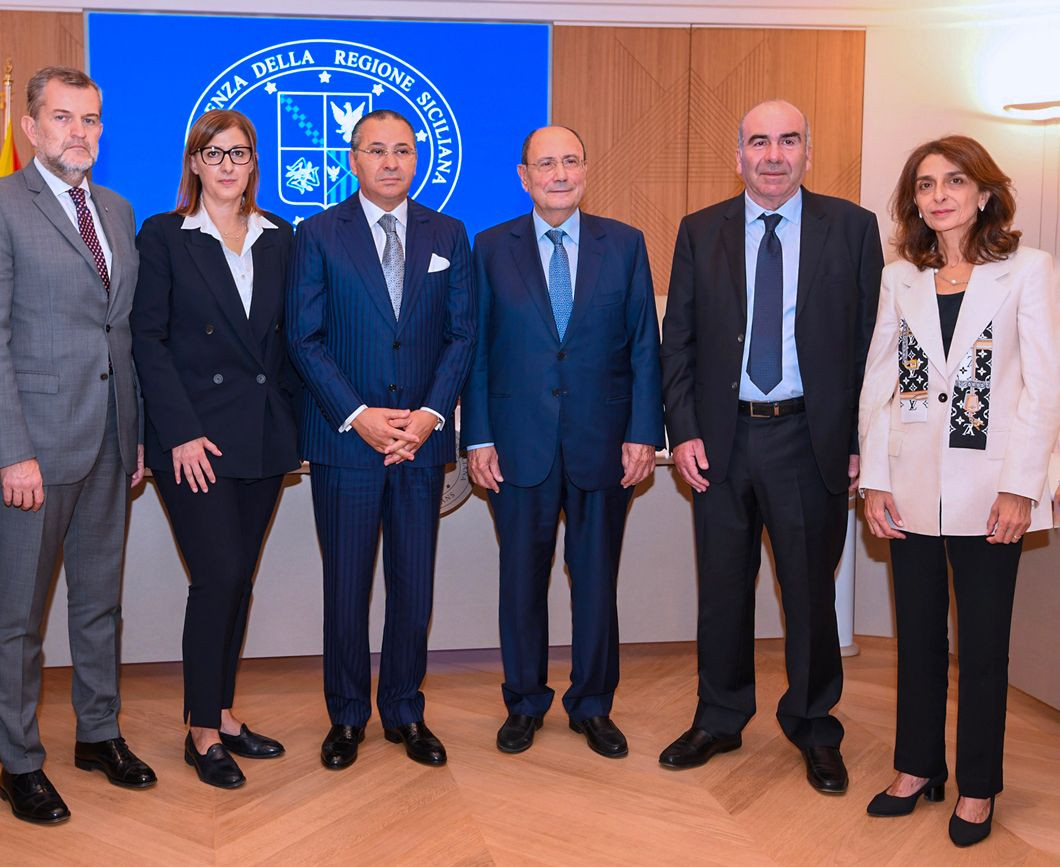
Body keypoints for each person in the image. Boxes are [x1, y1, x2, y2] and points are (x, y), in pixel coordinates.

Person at [659, 99, 883, 793]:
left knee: (811, 592)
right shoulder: (702, 231)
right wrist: (684, 429)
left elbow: (869, 347)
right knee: (722, 588)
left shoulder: (851, 227)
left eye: (789, 140)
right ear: (740, 155)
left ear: (807, 153)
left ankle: (815, 724)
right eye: (760, 141)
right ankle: (720, 716)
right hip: (721, 439)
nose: (774, 154)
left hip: (807, 438)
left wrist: (856, 441)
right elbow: (681, 343)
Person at [0, 66, 154, 824]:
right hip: (33, 446)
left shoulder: (117, 206)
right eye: (64, 118)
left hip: (109, 440)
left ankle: (98, 733)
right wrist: (11, 449)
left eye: (92, 119)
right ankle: (19, 762)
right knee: (19, 615)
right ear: (32, 127)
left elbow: (120, 332)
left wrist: (132, 432)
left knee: (100, 604)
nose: (81, 132)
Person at [858, 136, 1060, 847]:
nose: (938, 194)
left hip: (989, 492)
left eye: (953, 180)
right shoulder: (899, 279)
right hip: (910, 485)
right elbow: (879, 381)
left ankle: (977, 786)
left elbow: (1044, 386)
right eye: (923, 184)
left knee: (982, 649)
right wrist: (875, 480)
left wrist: (1022, 487)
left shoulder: (1028, 272)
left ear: (983, 192)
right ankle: (916, 766)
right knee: (916, 639)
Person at [460, 126, 664, 757]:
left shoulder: (625, 244)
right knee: (521, 578)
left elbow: (643, 346)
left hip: (604, 443)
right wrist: (478, 437)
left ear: (585, 170)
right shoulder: (490, 246)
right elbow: (478, 351)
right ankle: (524, 703)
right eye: (545, 164)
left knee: (596, 578)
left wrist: (643, 434)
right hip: (516, 443)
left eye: (570, 161)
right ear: (523, 176)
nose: (559, 173)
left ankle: (593, 705)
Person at [287, 108, 475, 769]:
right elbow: (303, 339)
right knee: (346, 586)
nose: (391, 161)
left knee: (413, 587)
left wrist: (428, 415)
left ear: (416, 158)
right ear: (353, 160)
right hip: (347, 445)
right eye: (376, 150)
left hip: (421, 444)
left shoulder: (449, 232)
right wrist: (359, 415)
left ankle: (404, 710)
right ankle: (346, 717)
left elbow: (461, 335)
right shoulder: (317, 235)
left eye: (402, 149)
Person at [131, 109, 298, 789]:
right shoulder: (166, 235)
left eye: (241, 153)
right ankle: (201, 729)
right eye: (214, 154)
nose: (229, 165)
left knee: (240, 580)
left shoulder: (279, 236)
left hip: (261, 435)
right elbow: (149, 340)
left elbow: (287, 343)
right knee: (218, 576)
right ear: (194, 163)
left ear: (255, 163)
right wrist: (176, 432)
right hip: (194, 440)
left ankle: (223, 711)